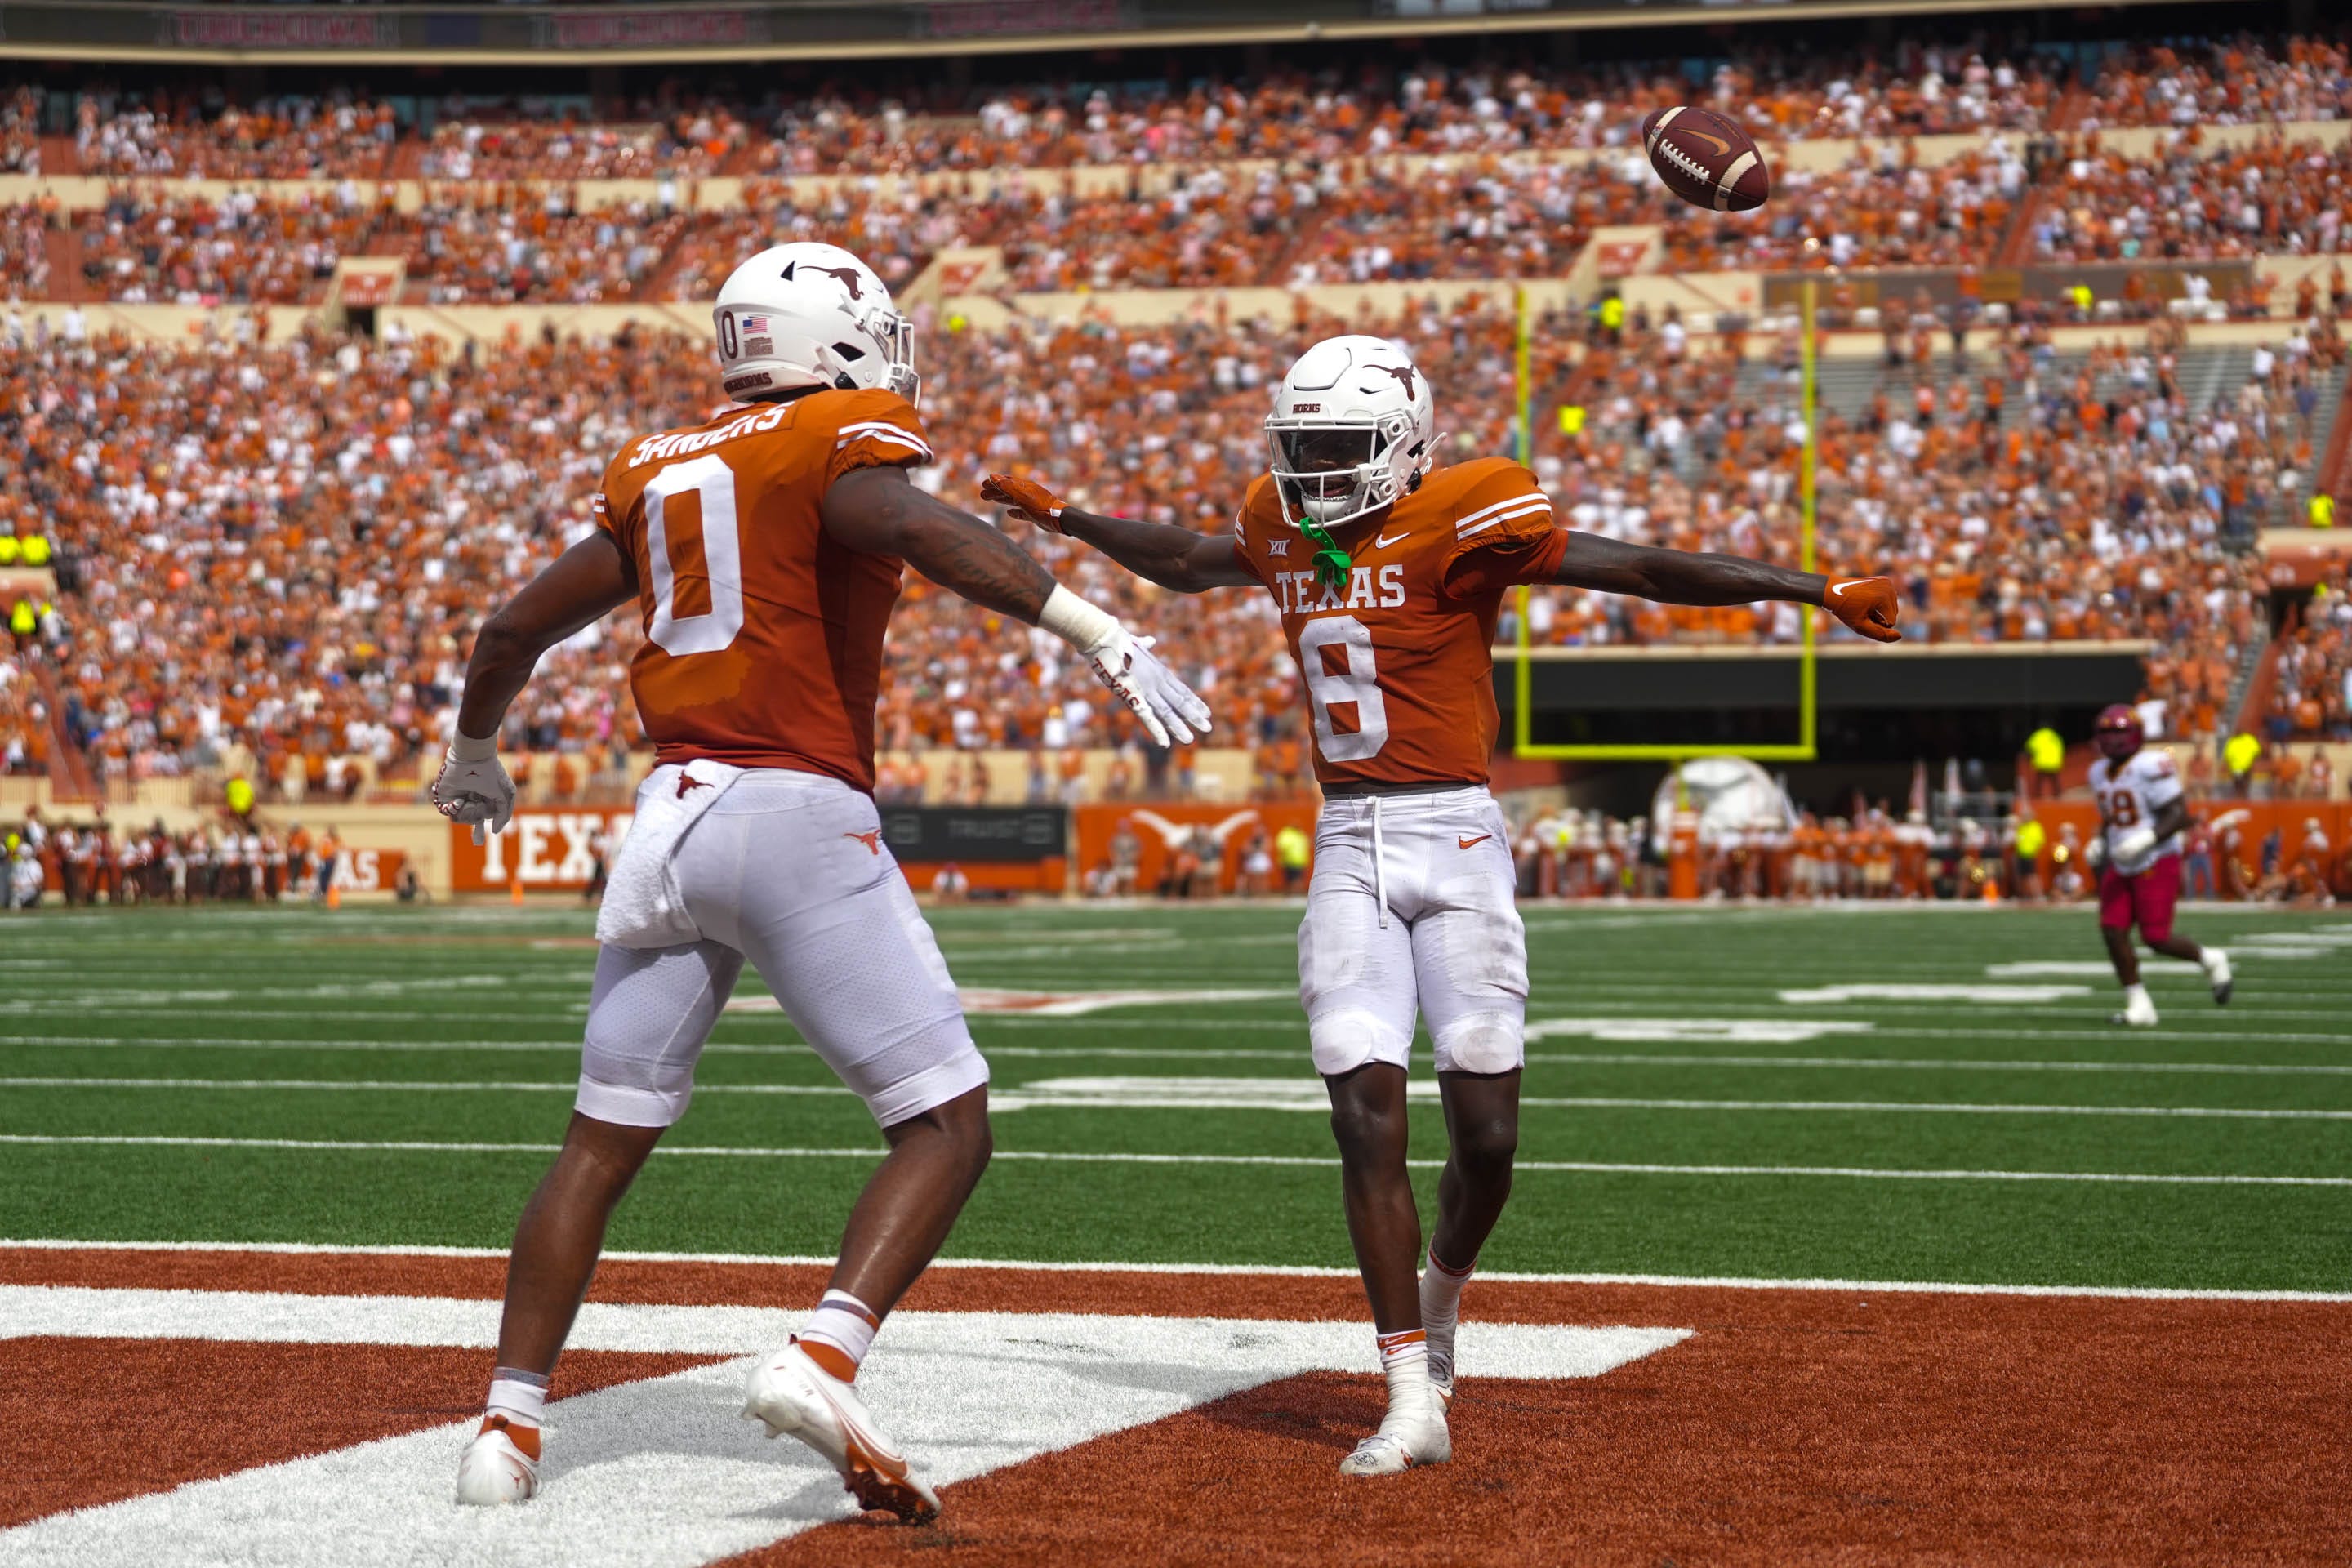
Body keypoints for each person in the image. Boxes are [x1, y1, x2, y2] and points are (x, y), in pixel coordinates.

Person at [981, 332, 1900, 1477]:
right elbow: (1184, 559)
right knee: (1365, 1113)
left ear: (1408, 447)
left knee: (1491, 1138)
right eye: (1302, 444)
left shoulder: (1466, 516)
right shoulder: (1282, 524)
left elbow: (1644, 570)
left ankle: (1444, 1297)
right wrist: (1066, 516)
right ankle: (1408, 1391)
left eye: (1341, 445)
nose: (1316, 467)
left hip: (1458, 836)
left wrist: (1810, 588)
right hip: (1351, 844)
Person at [434, 243, 1212, 1520]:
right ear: (829, 344)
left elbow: (510, 629)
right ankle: (825, 1353)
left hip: (668, 822)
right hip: (793, 805)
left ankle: (505, 1431)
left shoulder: (653, 465)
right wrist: (1098, 631)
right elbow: (908, 523)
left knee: (596, 1146)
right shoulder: (838, 438)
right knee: (947, 1122)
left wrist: (473, 754)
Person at [2085, 705, 2233, 1027]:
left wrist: (2144, 840)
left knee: (2155, 938)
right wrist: (2100, 839)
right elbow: (2113, 817)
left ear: (2135, 734)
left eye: (2119, 732)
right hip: (2121, 859)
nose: (2113, 740)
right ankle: (2139, 1005)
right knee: (2112, 930)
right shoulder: (2097, 772)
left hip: (2156, 857)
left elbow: (2180, 814)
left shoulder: (2151, 765)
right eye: (2107, 732)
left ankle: (2211, 959)